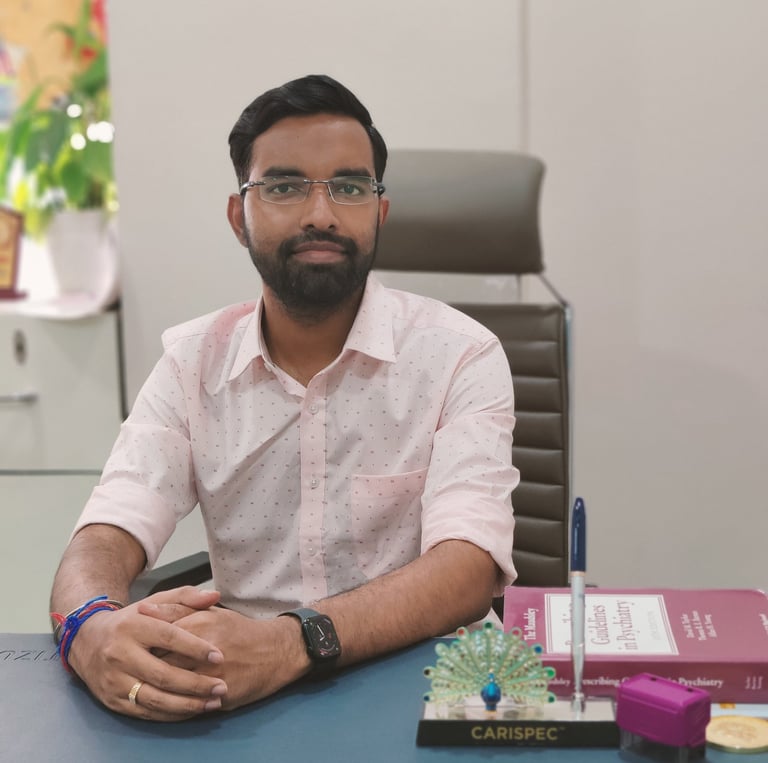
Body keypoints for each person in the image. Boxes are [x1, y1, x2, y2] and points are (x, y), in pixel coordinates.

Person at [50, 74, 518, 722]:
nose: (320, 214)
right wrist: (92, 628)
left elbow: (467, 567)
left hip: (435, 688)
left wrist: (292, 641)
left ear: (379, 214)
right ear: (240, 216)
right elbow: (102, 536)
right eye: (285, 185)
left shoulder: (460, 355)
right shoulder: (192, 363)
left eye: (349, 187)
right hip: (243, 700)